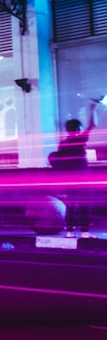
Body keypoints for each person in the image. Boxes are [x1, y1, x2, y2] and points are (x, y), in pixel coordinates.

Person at [50, 102, 99, 238]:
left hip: (70, 179)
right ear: (78, 129)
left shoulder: (62, 144)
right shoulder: (80, 140)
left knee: (71, 205)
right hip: (83, 178)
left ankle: (70, 232)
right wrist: (93, 109)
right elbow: (92, 125)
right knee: (86, 205)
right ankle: (84, 232)